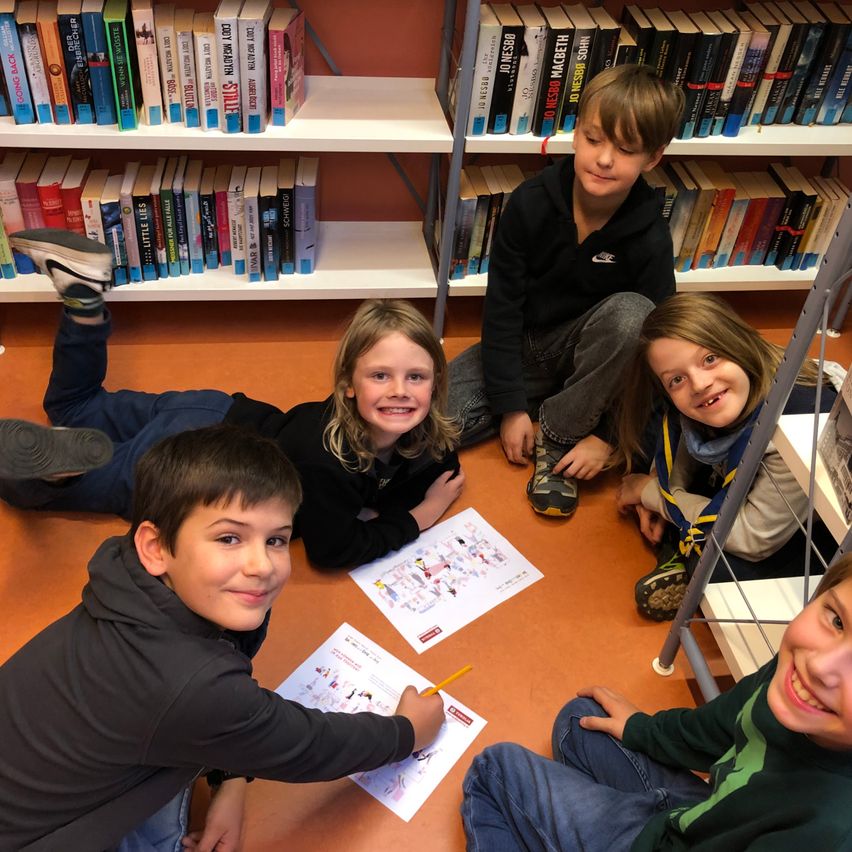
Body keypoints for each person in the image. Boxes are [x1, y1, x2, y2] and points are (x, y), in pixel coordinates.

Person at [0, 424, 446, 851]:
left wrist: (229, 777)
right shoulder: (191, 684)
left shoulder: (131, 579)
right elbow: (309, 745)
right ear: (154, 547)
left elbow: (208, 708)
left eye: (276, 540)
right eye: (230, 537)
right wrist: (406, 733)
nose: (262, 566)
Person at [0, 228, 464, 569]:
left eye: (416, 377)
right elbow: (334, 551)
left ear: (435, 384)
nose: (400, 391)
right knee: (21, 485)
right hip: (196, 468)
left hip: (211, 410)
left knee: (75, 408)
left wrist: (388, 492)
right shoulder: (329, 466)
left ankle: (83, 296)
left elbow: (442, 460)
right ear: (348, 383)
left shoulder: (391, 426)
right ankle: (65, 473)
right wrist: (418, 516)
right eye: (381, 375)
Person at [461, 551, 852, 851]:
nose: (819, 666)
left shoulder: (829, 831)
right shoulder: (795, 679)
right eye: (837, 620)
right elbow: (709, 730)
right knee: (580, 718)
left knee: (492, 769)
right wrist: (639, 728)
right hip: (699, 819)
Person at [447, 64, 684, 519]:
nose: (605, 159)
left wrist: (609, 437)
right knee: (423, 427)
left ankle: (558, 437)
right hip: (524, 350)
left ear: (653, 158)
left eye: (626, 148)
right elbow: (501, 310)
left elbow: (661, 343)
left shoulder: (650, 235)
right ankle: (546, 405)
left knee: (635, 314)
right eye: (594, 139)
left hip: (602, 363)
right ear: (575, 135)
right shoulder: (529, 203)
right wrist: (512, 407)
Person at [615, 293, 838, 620]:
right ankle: (682, 545)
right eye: (676, 379)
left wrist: (651, 496)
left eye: (710, 359)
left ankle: (683, 553)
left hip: (805, 534)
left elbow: (753, 538)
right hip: (746, 489)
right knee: (654, 428)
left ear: (736, 344)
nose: (700, 384)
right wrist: (660, 487)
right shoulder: (721, 393)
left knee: (720, 568)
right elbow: (679, 434)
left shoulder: (799, 423)